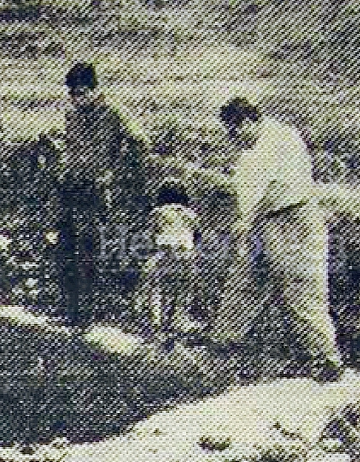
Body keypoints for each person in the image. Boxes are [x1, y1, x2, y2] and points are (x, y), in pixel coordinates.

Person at [211, 98, 344, 382]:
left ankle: (326, 360)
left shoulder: (279, 139)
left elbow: (270, 188)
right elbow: (248, 189)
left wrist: (245, 223)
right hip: (268, 221)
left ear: (247, 122)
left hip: (294, 220)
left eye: (235, 132)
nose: (232, 140)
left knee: (302, 292)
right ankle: (223, 343)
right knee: (246, 279)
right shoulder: (252, 149)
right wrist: (246, 223)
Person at [56, 62, 150, 327]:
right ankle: (71, 312)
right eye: (73, 94)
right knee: (66, 248)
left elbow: (140, 142)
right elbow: (70, 146)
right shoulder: (72, 114)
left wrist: (115, 172)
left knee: (89, 249)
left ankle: (88, 314)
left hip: (98, 191)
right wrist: (66, 168)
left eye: (82, 92)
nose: (77, 99)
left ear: (94, 90)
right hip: (73, 187)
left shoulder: (113, 112)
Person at [134, 179, 200, 339]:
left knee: (157, 285)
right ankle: (179, 319)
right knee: (183, 288)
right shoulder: (191, 214)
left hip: (166, 253)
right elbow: (197, 236)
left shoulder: (158, 212)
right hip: (186, 254)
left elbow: (150, 235)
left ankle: (156, 320)